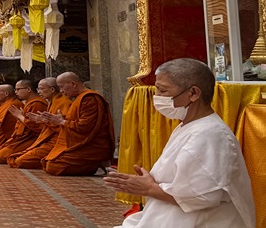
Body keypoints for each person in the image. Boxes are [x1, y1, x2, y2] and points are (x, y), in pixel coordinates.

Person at [104, 59, 254, 228]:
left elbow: (204, 196)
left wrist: (148, 188)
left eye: (163, 90)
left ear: (193, 93)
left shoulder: (210, 135)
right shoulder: (188, 126)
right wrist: (150, 182)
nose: (157, 97)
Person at [39, 72, 114, 176]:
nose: (61, 91)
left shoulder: (89, 98)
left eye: (61, 87)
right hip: (79, 143)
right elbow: (74, 121)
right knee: (46, 162)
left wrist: (62, 121)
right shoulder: (79, 99)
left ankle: (94, 163)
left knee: (54, 166)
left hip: (91, 146)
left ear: (73, 84)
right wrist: (61, 120)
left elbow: (85, 127)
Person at [8, 77, 71, 169]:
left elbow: (64, 126)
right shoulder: (52, 102)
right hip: (42, 139)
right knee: (12, 157)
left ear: (52, 89)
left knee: (18, 160)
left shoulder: (63, 102)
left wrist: (20, 116)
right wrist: (42, 120)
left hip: (56, 141)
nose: (38, 91)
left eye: (41, 89)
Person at [0, 79, 48, 164]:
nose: (16, 92)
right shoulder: (28, 103)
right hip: (21, 137)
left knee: (0, 157)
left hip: (32, 138)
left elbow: (36, 127)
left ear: (28, 89)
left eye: (18, 89)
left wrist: (19, 116)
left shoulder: (37, 103)